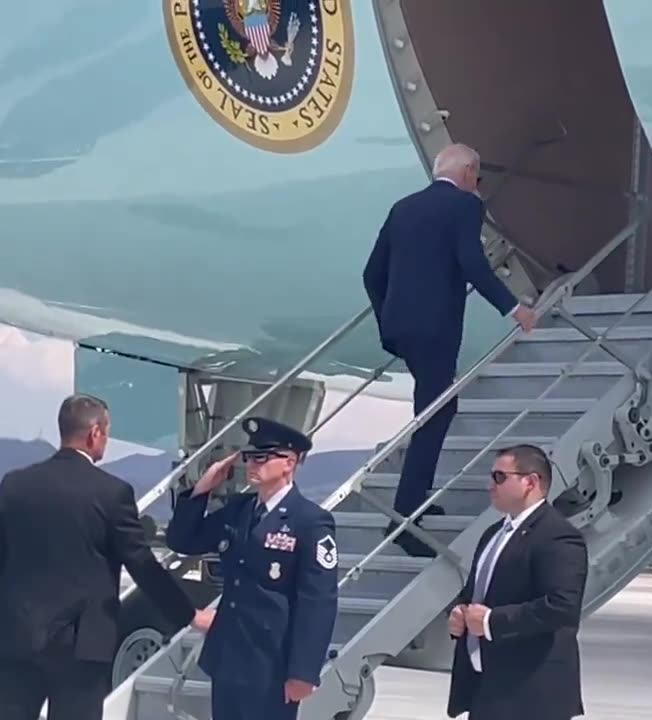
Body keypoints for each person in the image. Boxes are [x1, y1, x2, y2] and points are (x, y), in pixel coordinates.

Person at [363, 142, 538, 557]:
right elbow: (472, 263)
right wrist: (514, 308)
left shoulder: (403, 207)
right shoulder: (463, 206)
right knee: (436, 411)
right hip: (436, 327)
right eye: (476, 177)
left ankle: (418, 497)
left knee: (435, 406)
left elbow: (373, 273)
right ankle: (405, 517)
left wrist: (388, 319)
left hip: (402, 328)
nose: (477, 185)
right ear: (468, 173)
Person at [0, 394, 214, 720]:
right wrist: (190, 614)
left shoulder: (14, 485)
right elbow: (141, 564)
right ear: (95, 433)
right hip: (81, 646)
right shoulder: (111, 492)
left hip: (17, 636)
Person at [165, 417, 339, 720]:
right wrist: (203, 488)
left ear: (289, 463)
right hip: (229, 656)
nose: (252, 464)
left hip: (272, 663)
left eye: (262, 457)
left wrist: (304, 671)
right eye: (248, 457)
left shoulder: (310, 521)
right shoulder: (239, 510)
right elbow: (183, 540)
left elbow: (318, 601)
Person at [445, 444, 588, 720]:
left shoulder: (557, 536)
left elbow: (562, 606)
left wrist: (491, 622)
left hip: (530, 694)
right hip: (487, 688)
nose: (491, 485)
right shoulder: (492, 534)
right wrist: (458, 612)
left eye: (500, 477)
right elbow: (477, 592)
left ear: (530, 482)